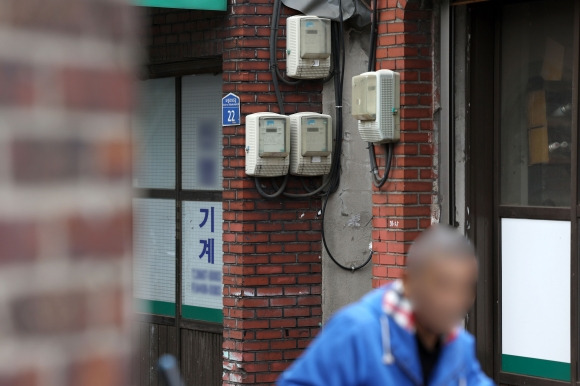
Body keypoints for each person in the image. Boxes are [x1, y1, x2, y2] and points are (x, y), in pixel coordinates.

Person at [277, 224, 494, 386]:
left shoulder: (460, 347)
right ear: (408, 283)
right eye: (442, 285)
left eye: (466, 287)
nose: (455, 300)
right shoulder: (356, 332)